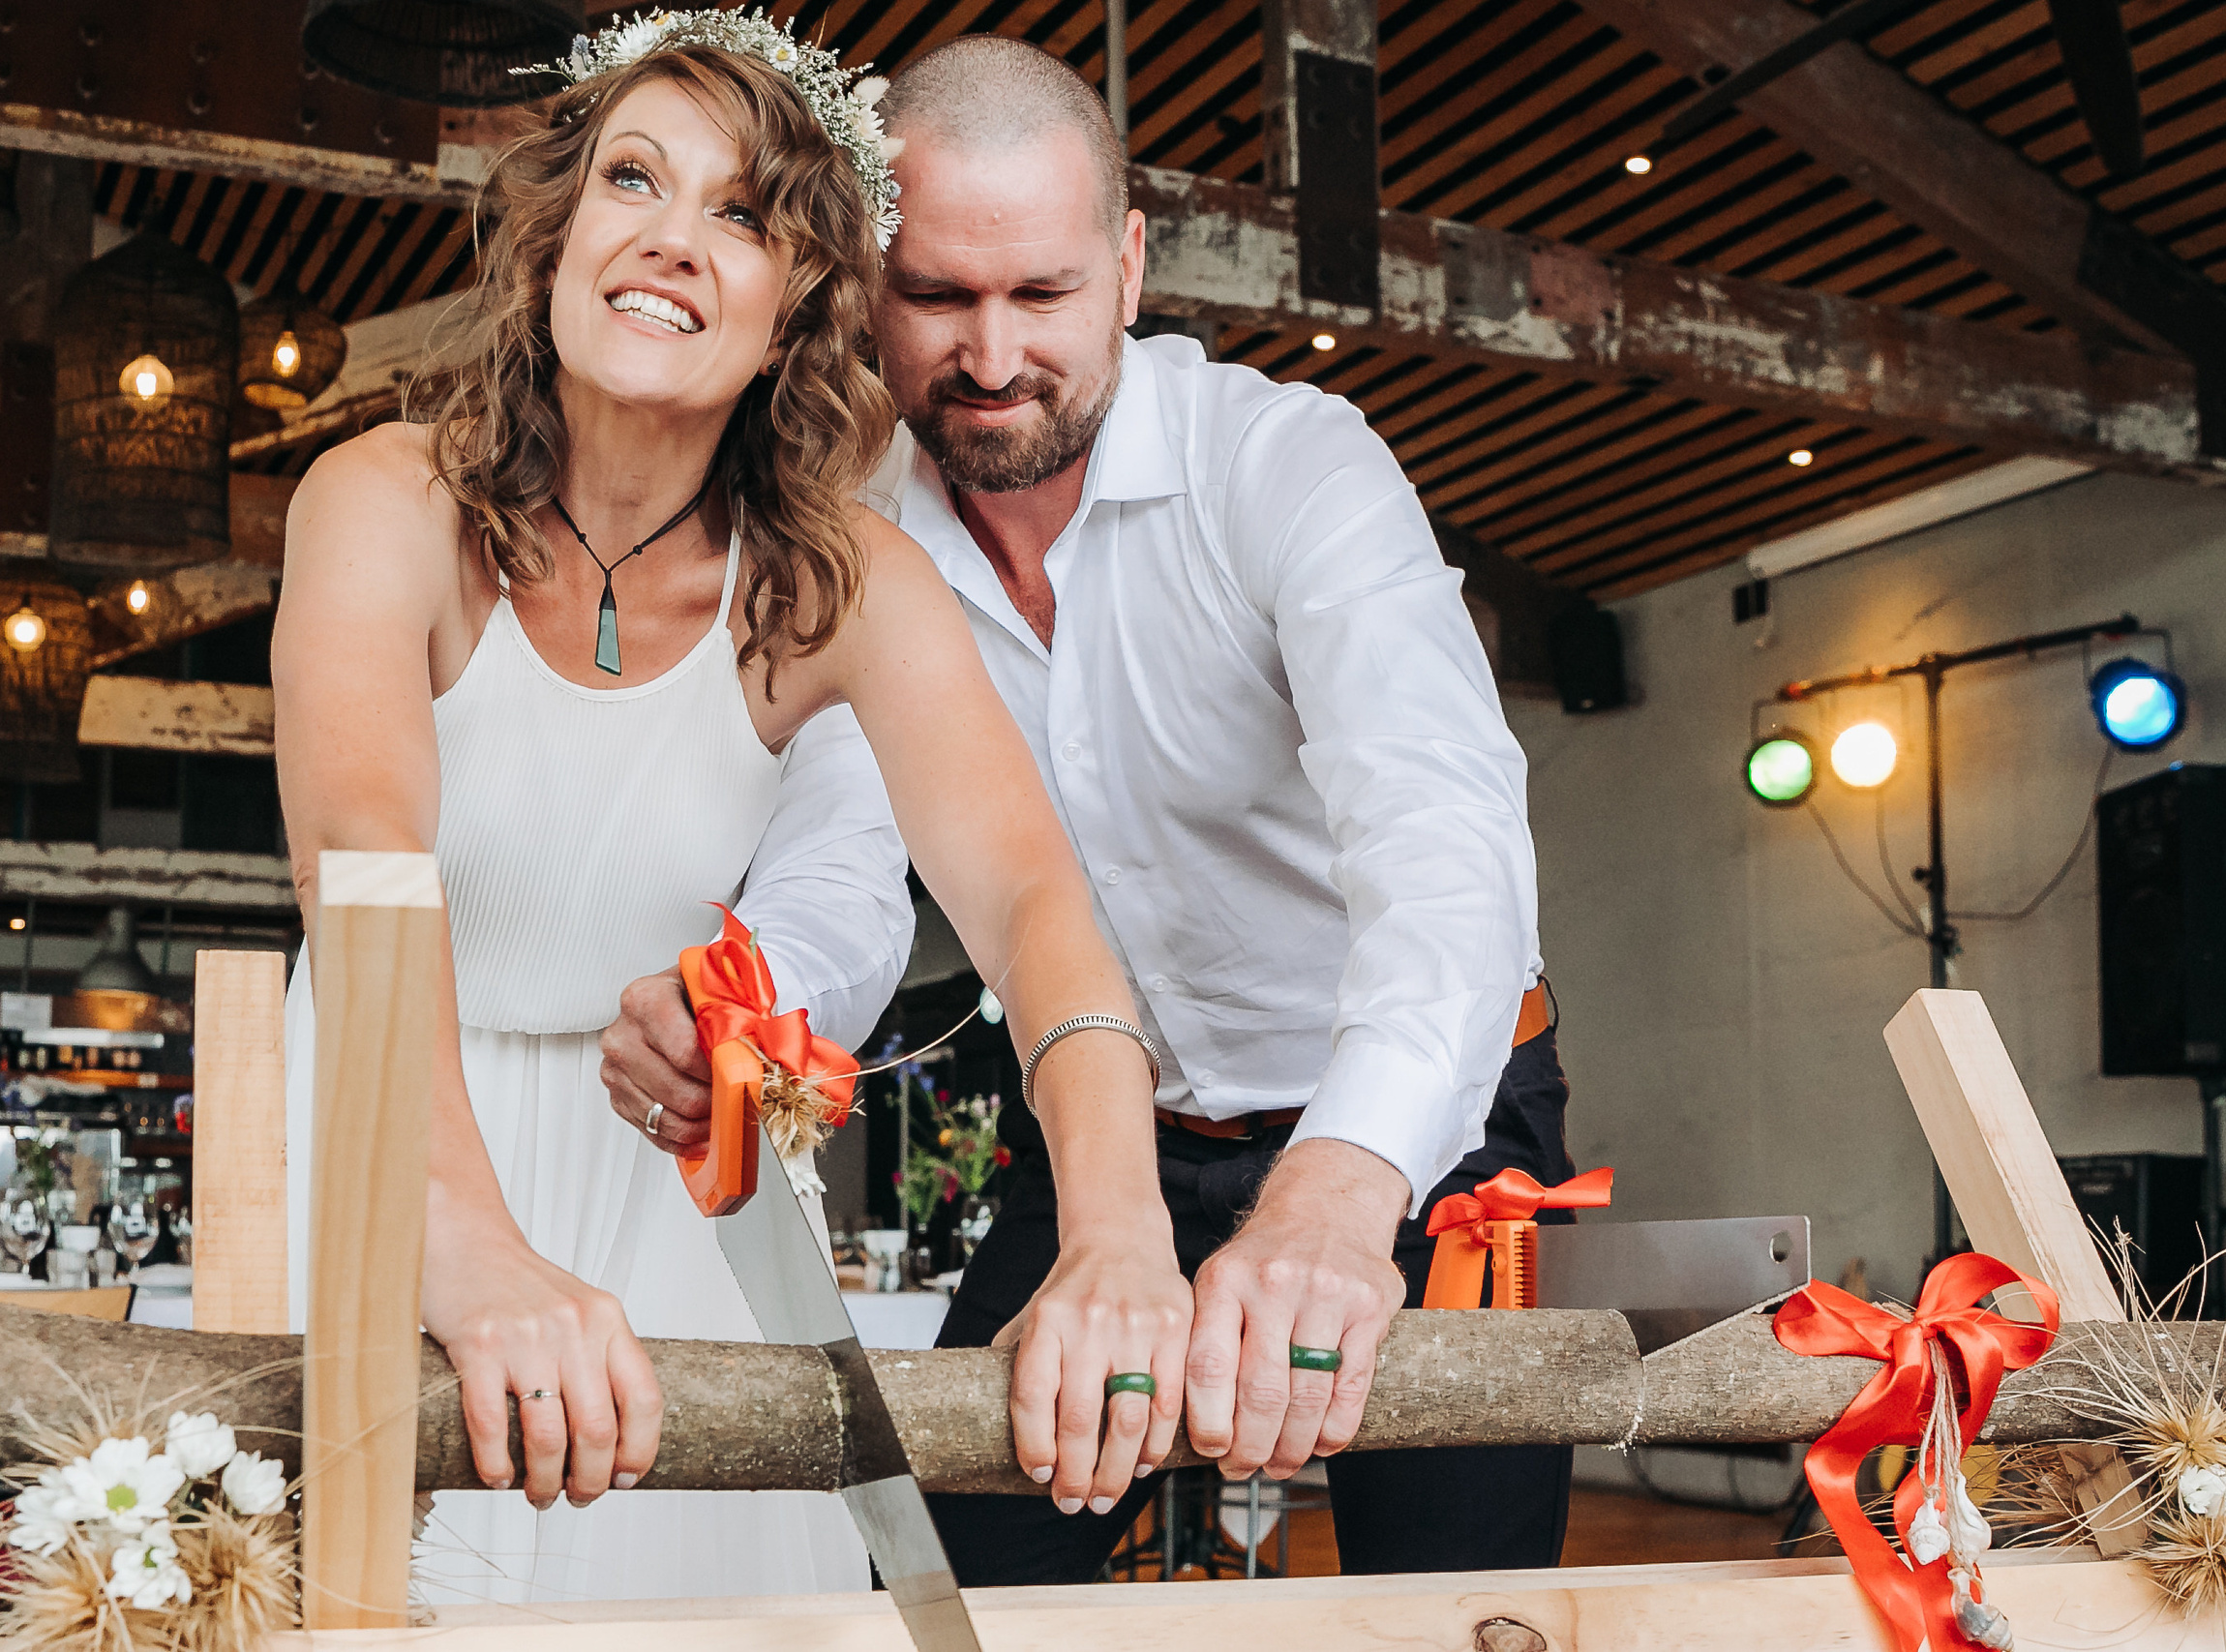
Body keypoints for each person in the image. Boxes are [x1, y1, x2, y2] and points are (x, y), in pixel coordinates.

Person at [598, 34, 1569, 1584]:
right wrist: (755, 1006)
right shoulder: (853, 541)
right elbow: (847, 858)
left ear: (1126, 267)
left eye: (1042, 295)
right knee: (961, 1583)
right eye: (936, 297)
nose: (990, 356)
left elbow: (1442, 840)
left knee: (1466, 1602)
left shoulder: (1292, 466)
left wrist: (1337, 1189)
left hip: (1414, 1138)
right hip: (1106, 1147)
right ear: (861, 282)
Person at [271, 16, 1191, 1607]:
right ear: (560, 236)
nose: (671, 240)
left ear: (795, 314)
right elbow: (366, 868)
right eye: (634, 177)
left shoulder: (841, 584)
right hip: (378, 1130)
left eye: (745, 214)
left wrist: (1116, 1231)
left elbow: (1039, 910)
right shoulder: (384, 501)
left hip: (665, 1197)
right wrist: (465, 1247)